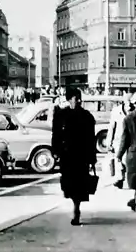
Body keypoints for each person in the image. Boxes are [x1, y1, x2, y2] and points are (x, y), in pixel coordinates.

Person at [51, 87, 97, 226]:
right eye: (75, 98)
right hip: (66, 155)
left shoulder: (87, 116)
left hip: (81, 156)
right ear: (69, 99)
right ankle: (75, 205)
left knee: (79, 185)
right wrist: (55, 151)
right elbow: (56, 134)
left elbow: (91, 138)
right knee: (68, 185)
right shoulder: (61, 115)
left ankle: (76, 210)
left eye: (79, 98)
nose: (78, 101)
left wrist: (92, 158)